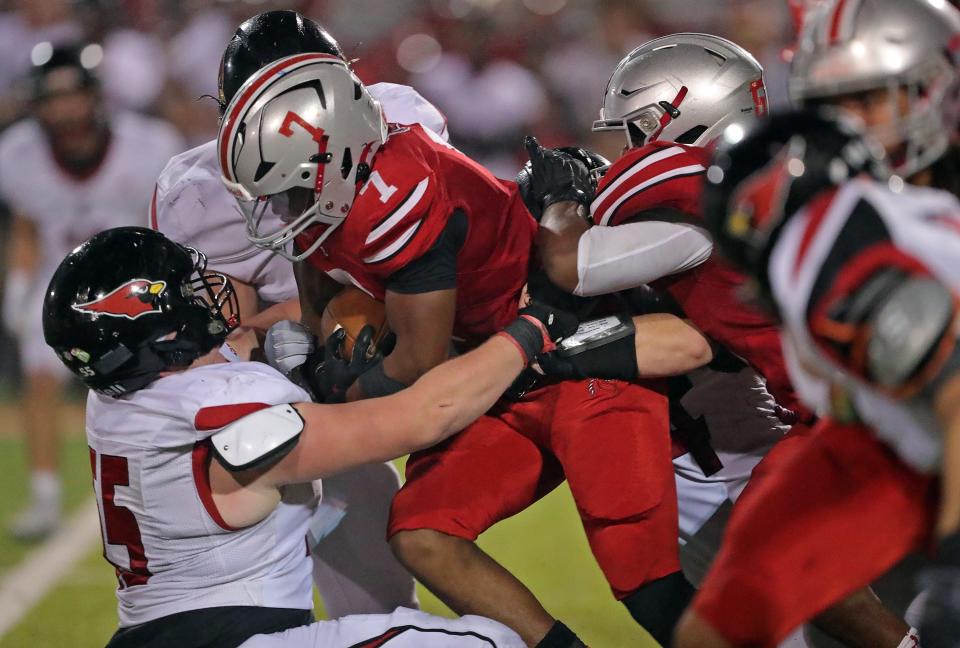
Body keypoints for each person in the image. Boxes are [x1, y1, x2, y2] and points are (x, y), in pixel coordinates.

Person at [218, 53, 705, 648]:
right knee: (422, 530)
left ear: (337, 154)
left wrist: (336, 390)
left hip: (576, 353)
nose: (281, 206)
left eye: (291, 186)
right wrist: (324, 359)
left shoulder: (395, 193)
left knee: (644, 580)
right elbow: (323, 311)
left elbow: (418, 367)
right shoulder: (329, 204)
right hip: (498, 370)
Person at [522, 32, 914, 647]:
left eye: (635, 131)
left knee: (768, 539)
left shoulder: (693, 186)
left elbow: (575, 264)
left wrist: (561, 200)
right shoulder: (774, 166)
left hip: (856, 402)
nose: (627, 149)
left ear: (677, 116)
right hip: (880, 382)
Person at [43, 226, 580, 648]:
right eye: (185, 291)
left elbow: (242, 349)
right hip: (237, 640)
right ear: (158, 323)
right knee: (493, 642)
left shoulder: (117, 401)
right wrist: (534, 326)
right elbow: (426, 415)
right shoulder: (230, 418)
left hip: (160, 634)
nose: (207, 296)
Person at [151, 9, 451, 618]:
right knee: (369, 589)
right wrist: (277, 343)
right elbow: (220, 337)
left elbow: (428, 271)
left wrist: (319, 316)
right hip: (300, 396)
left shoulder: (403, 123)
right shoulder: (196, 192)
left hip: (417, 335)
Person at [0, 44, 183, 540]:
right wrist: (18, 285)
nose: (65, 110)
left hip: (135, 283)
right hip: (59, 285)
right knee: (36, 378)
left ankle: (171, 488)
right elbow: (27, 226)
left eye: (72, 96)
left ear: (95, 96)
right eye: (53, 99)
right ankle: (44, 497)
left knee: (161, 384)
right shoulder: (17, 153)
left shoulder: (149, 144)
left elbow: (171, 218)